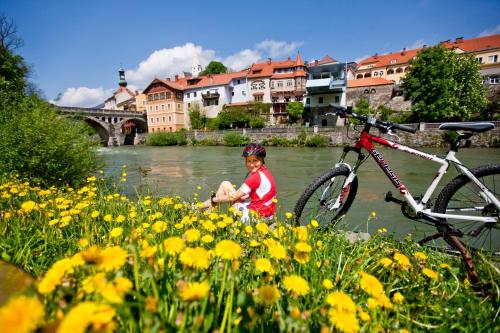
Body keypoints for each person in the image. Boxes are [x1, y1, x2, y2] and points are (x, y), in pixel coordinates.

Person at [202, 143, 276, 222]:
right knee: (225, 184)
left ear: (262, 160)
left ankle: (204, 213)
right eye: (248, 161)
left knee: (228, 191)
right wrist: (245, 196)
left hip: (255, 219)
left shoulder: (255, 177)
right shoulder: (265, 172)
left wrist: (214, 199)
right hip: (266, 216)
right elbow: (260, 192)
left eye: (255, 160)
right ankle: (200, 209)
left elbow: (233, 197)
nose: (251, 164)